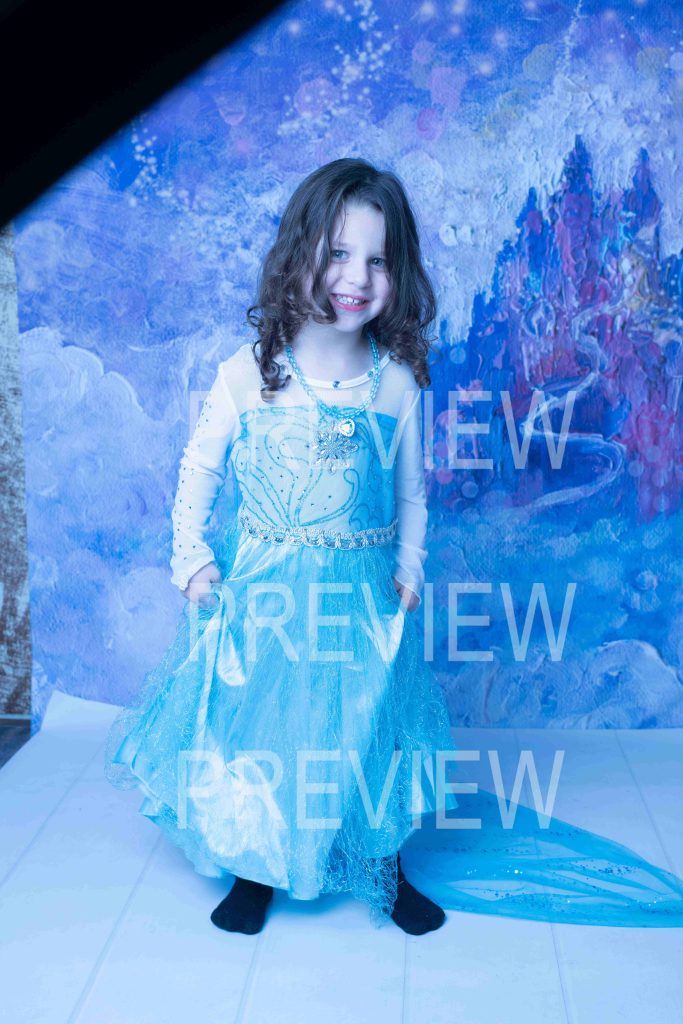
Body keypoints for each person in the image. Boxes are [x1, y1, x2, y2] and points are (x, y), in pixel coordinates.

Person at [104, 157, 460, 936]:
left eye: (377, 260)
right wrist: (191, 558)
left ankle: (381, 864)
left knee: (367, 728)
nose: (356, 278)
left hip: (359, 597)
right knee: (256, 730)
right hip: (264, 592)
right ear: (299, 256)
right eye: (338, 254)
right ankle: (253, 866)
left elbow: (410, 493)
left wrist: (407, 566)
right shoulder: (249, 375)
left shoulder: (396, 384)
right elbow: (199, 469)